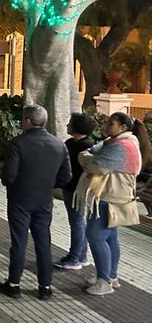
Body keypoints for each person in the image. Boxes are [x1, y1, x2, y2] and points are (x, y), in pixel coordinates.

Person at [0, 105, 71, 301]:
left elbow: (9, 175)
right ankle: (45, 286)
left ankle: (14, 284)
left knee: (19, 242)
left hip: (20, 198)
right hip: (44, 199)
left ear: (28, 120)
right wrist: (47, 184)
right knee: (43, 242)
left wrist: (12, 184)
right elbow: (66, 176)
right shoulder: (59, 145)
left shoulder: (18, 143)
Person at [75, 112, 144, 296]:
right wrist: (89, 156)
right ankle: (110, 276)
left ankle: (104, 281)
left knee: (96, 236)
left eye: (111, 123)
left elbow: (95, 164)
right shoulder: (118, 141)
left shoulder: (121, 146)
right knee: (110, 237)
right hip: (114, 196)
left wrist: (85, 158)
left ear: (123, 127)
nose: (107, 125)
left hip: (110, 198)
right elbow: (94, 154)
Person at [54, 113, 96, 271]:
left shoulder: (84, 146)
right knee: (78, 222)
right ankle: (81, 255)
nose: (67, 125)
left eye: (70, 123)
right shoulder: (71, 143)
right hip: (70, 187)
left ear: (77, 127)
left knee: (77, 222)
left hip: (77, 189)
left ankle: (74, 258)